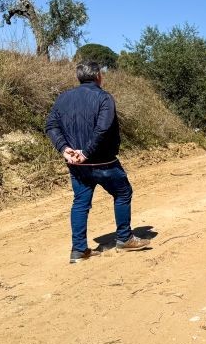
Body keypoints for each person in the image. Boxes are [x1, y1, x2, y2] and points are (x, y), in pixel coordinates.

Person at [45, 61, 151, 263]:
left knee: (80, 203)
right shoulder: (104, 98)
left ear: (79, 77)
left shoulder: (63, 98)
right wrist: (87, 152)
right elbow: (102, 130)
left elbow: (51, 126)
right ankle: (125, 238)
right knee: (123, 192)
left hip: (77, 165)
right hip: (103, 162)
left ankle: (79, 250)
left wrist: (64, 149)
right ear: (98, 76)